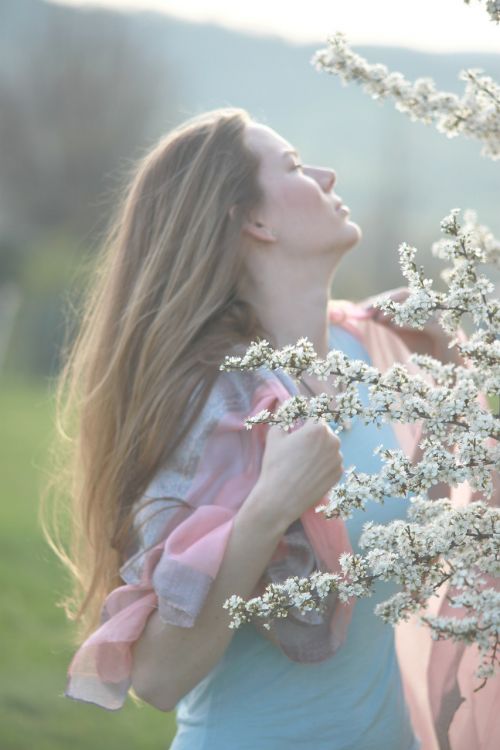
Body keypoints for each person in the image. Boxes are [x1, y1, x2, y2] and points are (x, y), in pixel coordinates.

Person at [51, 107, 483, 749]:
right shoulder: (210, 408)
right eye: (295, 166)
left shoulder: (370, 354)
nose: (328, 174)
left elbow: (445, 544)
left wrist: (460, 377)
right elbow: (159, 678)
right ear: (254, 221)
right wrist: (270, 507)